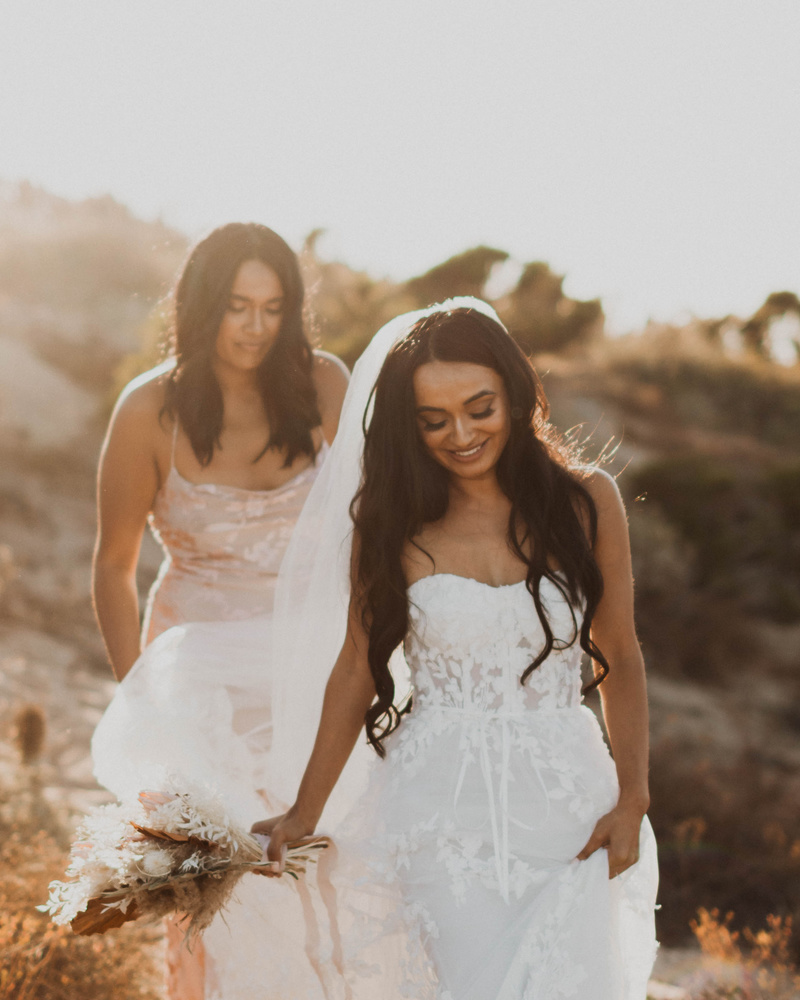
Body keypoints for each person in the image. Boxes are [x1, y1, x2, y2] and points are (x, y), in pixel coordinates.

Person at [256, 300, 659, 999]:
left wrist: (634, 798)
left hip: (569, 806)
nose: (462, 435)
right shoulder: (392, 524)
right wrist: (304, 811)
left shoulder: (587, 502)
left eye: (480, 409)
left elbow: (619, 653)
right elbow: (355, 668)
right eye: (434, 420)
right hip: (442, 815)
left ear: (514, 392)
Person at [91, 222, 348, 999]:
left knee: (328, 871)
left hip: (310, 673)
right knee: (220, 891)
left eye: (273, 308)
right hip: (194, 683)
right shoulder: (148, 409)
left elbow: (374, 529)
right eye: (238, 306)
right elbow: (112, 566)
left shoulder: (326, 386)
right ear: (202, 306)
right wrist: (142, 700)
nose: (255, 327)